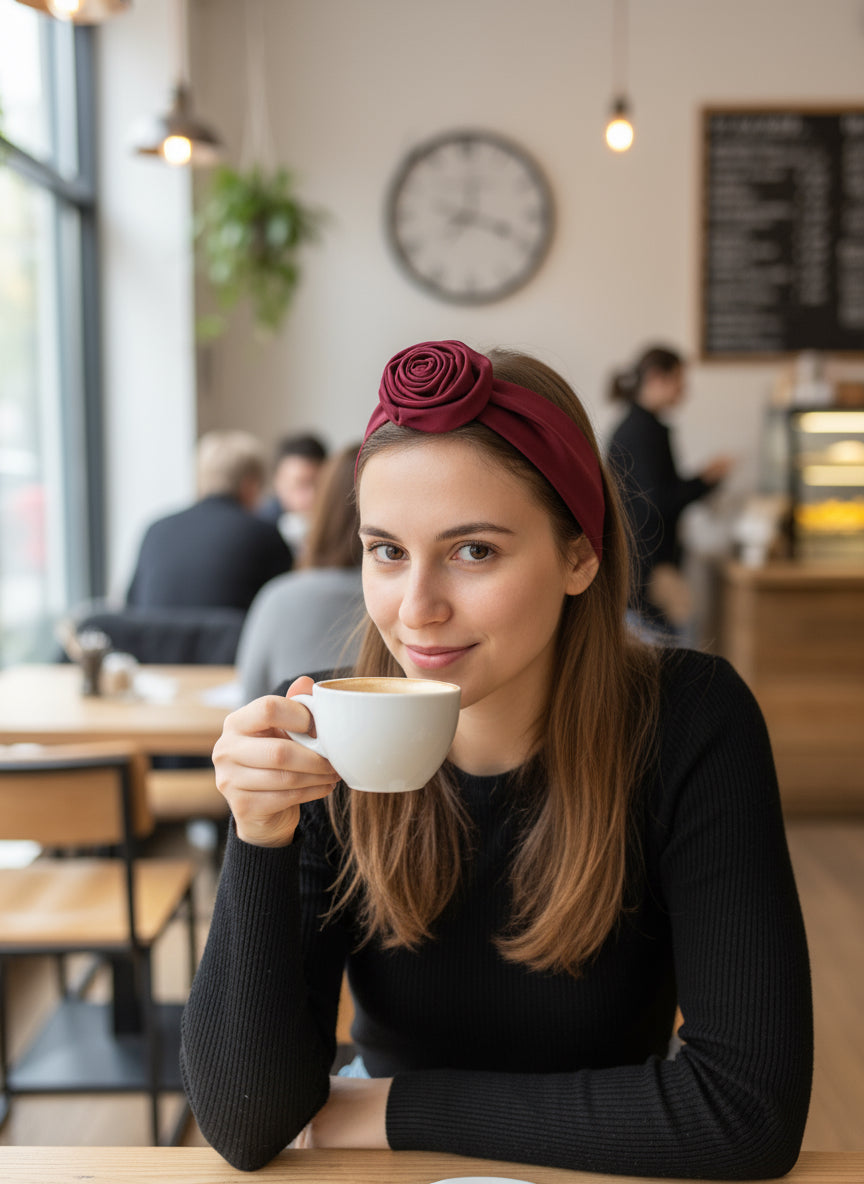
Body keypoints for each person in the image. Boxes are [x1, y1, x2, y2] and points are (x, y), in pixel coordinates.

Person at [181, 340, 812, 1177]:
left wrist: (400, 1105)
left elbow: (745, 1112)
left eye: (474, 550)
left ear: (581, 555)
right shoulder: (330, 723)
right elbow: (246, 1121)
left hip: (595, 1165)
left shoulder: (690, 719)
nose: (417, 610)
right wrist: (258, 838)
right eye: (386, 551)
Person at [606, 345, 732, 638]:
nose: (683, 392)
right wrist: (705, 480)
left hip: (641, 561)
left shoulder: (636, 426)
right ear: (656, 378)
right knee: (678, 640)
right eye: (679, 381)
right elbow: (659, 501)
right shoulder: (644, 431)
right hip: (649, 563)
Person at [237, 442, 365, 703]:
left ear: (324, 509)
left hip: (293, 736)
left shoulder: (278, 597)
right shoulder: (405, 602)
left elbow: (249, 700)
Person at [126, 430, 292, 613]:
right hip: (233, 642)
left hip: (154, 642)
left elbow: (131, 608)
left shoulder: (155, 530)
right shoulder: (264, 535)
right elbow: (285, 613)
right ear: (250, 484)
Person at [257, 432, 328, 559]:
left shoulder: (341, 524)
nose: (311, 495)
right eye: (300, 484)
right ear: (277, 482)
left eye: (318, 484)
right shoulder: (260, 531)